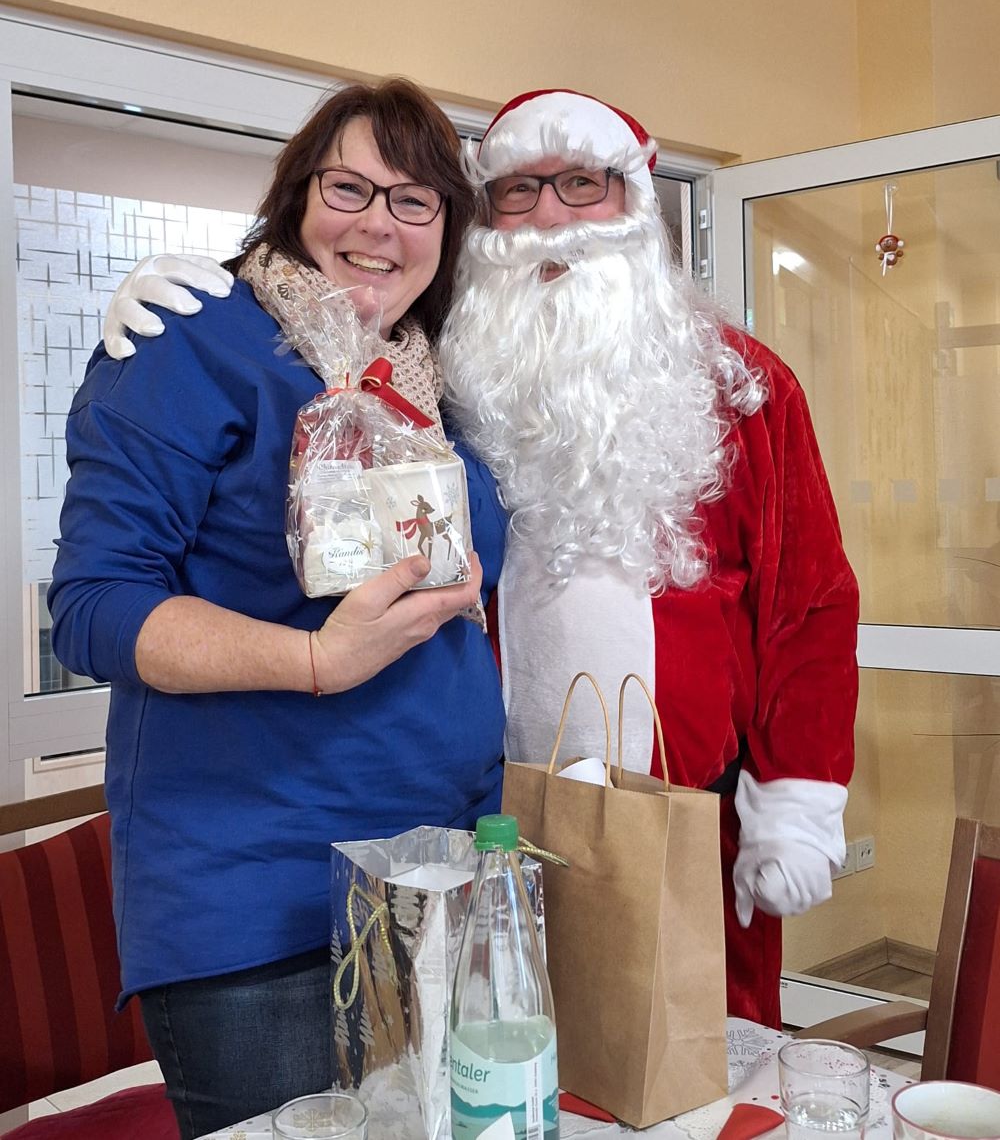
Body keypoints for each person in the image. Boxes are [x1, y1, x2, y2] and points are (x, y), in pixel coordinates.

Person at [103, 87, 859, 1031]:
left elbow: (811, 604)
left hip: (674, 829)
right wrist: (209, 283)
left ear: (636, 204)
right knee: (485, 1089)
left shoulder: (743, 384)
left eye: (581, 184)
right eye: (518, 192)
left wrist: (796, 796)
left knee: (680, 1090)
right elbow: (322, 311)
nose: (549, 215)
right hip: (480, 842)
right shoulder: (451, 371)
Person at [49, 79, 507, 1140]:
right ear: (297, 195)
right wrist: (319, 660)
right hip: (264, 900)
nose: (376, 223)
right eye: (348, 187)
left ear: (446, 229)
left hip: (440, 874)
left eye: (414, 201)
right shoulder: (191, 341)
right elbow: (94, 606)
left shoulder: (426, 376)